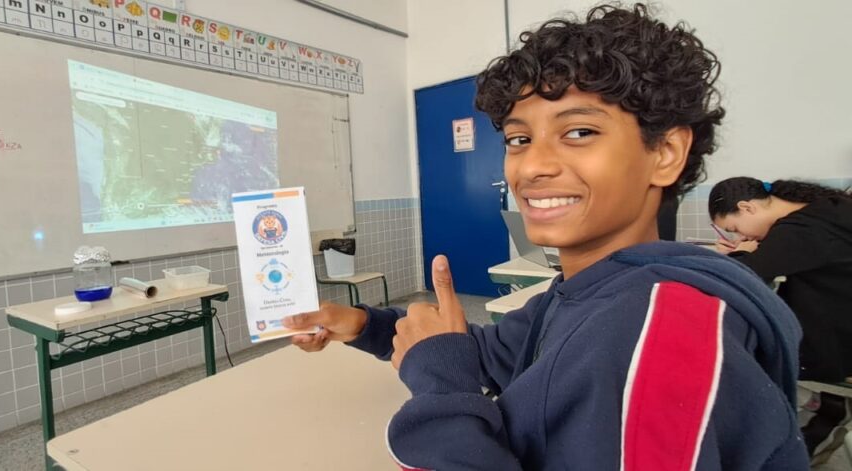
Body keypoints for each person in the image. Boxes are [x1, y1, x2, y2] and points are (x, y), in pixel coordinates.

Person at [283, 4, 808, 470]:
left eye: (579, 132)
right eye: (519, 138)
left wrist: (441, 385)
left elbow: (458, 373)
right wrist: (364, 324)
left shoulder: (663, 336)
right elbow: (491, 352)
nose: (532, 166)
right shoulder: (589, 289)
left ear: (665, 153)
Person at [710, 177, 852, 464]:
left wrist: (738, 254)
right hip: (842, 330)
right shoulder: (827, 210)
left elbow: (745, 275)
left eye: (735, 228)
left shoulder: (799, 231)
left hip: (835, 351)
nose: (741, 235)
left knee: (807, 429)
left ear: (747, 208)